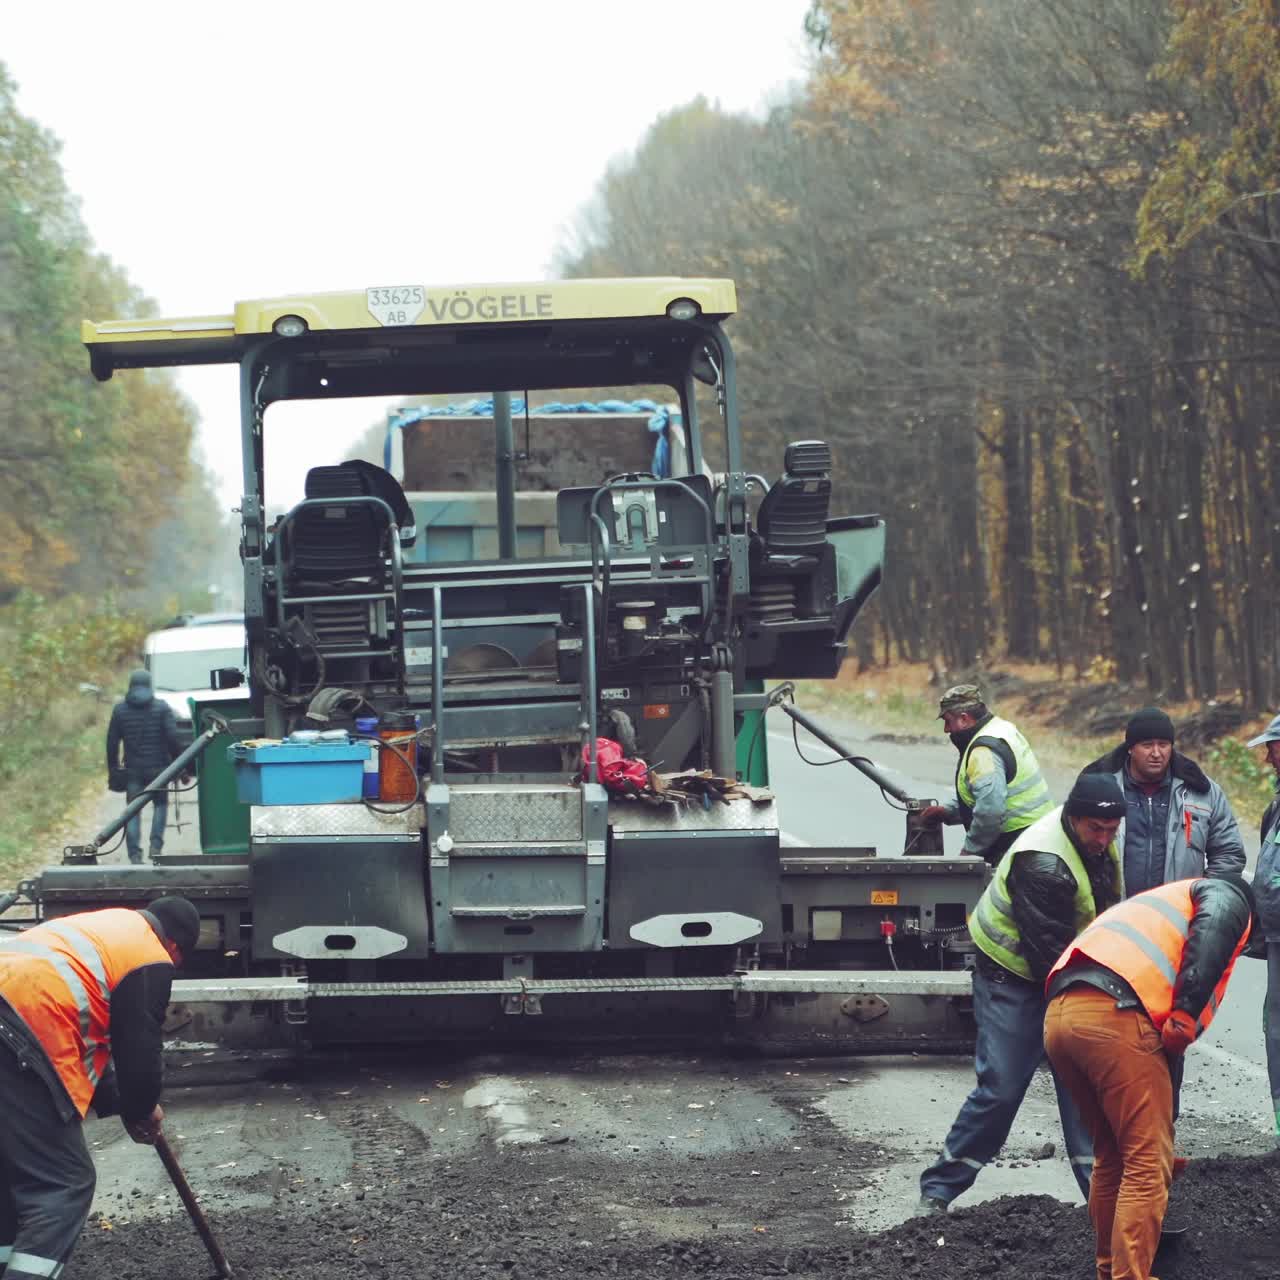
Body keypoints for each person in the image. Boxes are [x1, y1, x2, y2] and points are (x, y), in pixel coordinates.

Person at [917, 773, 1126, 1214]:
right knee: (1003, 1088)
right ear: (1074, 818)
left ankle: (1109, 1202)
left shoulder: (1096, 841)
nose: (1104, 839)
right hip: (1011, 976)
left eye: (1111, 830)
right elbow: (1050, 955)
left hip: (1066, 969)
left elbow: (1106, 915)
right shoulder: (1044, 863)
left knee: (1085, 1087)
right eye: (1096, 829)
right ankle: (938, 1189)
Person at [1044, 874, 1257, 1280]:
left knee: (1112, 1154)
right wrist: (1186, 1012)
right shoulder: (1228, 896)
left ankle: (1108, 1270)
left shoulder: (1162, 906)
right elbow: (1218, 922)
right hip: (1117, 1015)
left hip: (1061, 1017)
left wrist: (1165, 1121)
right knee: (1145, 1164)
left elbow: (1163, 1058)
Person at [0, 897, 200, 1280]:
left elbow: (99, 1046)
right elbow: (138, 1044)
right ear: (174, 946)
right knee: (62, 1185)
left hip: (12, 1021)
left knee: (9, 1182)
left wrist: (126, 1103)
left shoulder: (99, 929)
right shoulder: (148, 953)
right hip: (18, 1032)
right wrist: (141, 1108)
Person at [1081, 706, 1246, 894]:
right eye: (1147, 745)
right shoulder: (1097, 789)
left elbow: (1228, 853)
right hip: (1113, 916)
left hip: (1179, 915)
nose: (1157, 753)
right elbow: (1074, 849)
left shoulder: (1203, 792)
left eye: (1163, 744)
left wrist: (1207, 899)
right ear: (1130, 749)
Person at [919, 684, 1054, 865]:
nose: (946, 729)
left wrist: (968, 854)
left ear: (964, 719)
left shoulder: (983, 752)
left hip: (1018, 848)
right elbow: (994, 795)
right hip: (1040, 836)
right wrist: (948, 812)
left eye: (948, 721)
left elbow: (990, 812)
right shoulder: (1002, 728)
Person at [106, 669, 182, 863]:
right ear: (149, 685)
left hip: (133, 771)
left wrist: (113, 769)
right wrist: (179, 765)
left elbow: (112, 743)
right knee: (161, 805)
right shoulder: (162, 708)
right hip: (160, 770)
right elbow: (173, 738)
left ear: (131, 686)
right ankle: (155, 847)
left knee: (132, 810)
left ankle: (134, 854)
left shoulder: (120, 710)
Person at [1246, 712, 1280, 1142]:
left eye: (1273, 746)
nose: (1269, 756)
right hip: (1275, 936)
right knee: (1276, 1028)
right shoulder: (1275, 805)